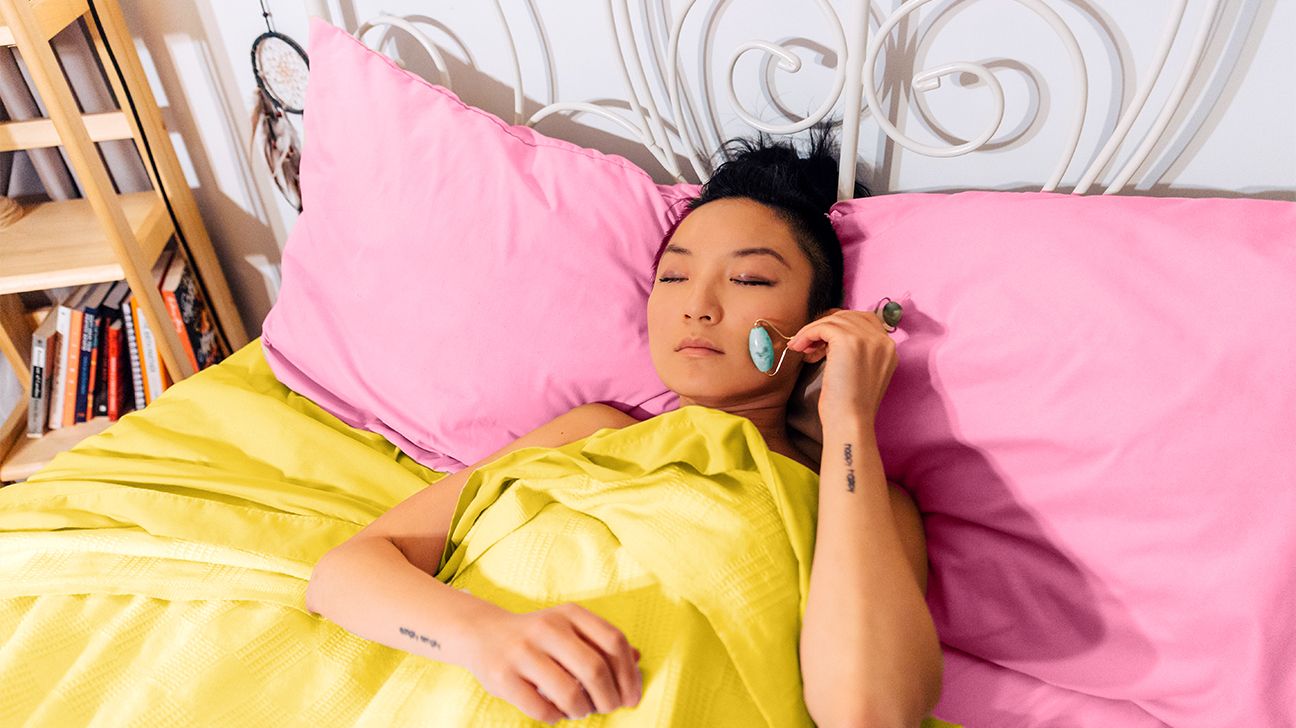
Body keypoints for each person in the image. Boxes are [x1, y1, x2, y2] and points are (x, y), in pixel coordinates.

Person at [304, 119, 943, 726]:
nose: (696, 305)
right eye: (674, 274)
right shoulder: (592, 431)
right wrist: (482, 635)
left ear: (816, 322)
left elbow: (867, 712)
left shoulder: (866, 501)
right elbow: (344, 573)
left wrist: (850, 422)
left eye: (747, 278)